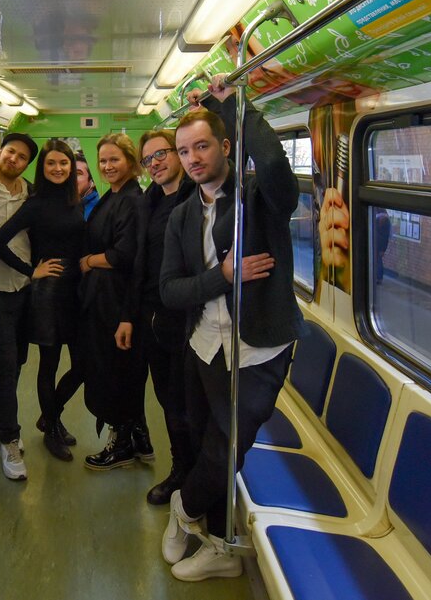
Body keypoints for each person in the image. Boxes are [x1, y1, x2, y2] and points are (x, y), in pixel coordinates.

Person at [159, 106, 304, 581]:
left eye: (202, 146)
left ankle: (183, 508)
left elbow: (276, 166)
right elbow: (171, 290)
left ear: (225, 147)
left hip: (259, 349)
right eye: (184, 151)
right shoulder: (182, 217)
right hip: (205, 345)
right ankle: (221, 546)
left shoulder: (259, 199)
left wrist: (237, 108)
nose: (193, 158)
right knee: (207, 442)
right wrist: (222, 277)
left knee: (228, 448)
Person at [0, 139, 85, 461]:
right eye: (51, 163)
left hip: (75, 290)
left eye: (63, 163)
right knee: (49, 365)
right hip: (48, 294)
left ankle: (49, 415)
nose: (58, 168)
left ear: (71, 167)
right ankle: (52, 429)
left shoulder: (75, 200)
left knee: (83, 365)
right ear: (43, 168)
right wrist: (31, 271)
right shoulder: (35, 203)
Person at [80, 133, 149, 470]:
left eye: (114, 160)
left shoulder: (132, 200)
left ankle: (120, 444)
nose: (107, 166)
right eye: (103, 160)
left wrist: (89, 261)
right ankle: (138, 438)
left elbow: (124, 255)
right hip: (104, 298)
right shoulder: (114, 194)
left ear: (131, 162)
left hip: (118, 300)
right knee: (115, 370)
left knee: (115, 373)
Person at [135, 129, 196, 505]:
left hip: (190, 318)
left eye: (162, 154)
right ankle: (180, 470)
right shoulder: (150, 201)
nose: (155, 163)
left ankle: (197, 478)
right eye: (148, 159)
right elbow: (142, 263)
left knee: (189, 403)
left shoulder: (198, 196)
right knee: (168, 401)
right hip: (155, 317)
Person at [0, 131, 39, 481]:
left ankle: (1, 418)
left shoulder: (30, 192)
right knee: (4, 362)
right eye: (10, 152)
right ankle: (9, 437)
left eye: (22, 157)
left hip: (24, 290)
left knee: (17, 360)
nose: (13, 159)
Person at [75, 152, 100, 220]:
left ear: (92, 181)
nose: (71, 178)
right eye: (70, 173)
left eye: (78, 173)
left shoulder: (101, 207)